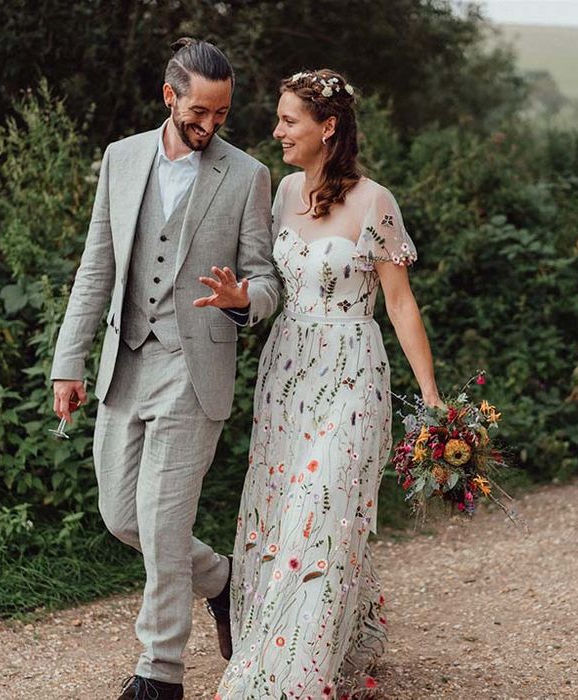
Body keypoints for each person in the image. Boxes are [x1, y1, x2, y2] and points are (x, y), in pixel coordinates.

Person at [50, 38, 280, 700]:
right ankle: (223, 580)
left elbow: (266, 278)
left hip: (195, 366)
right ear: (169, 97)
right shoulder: (120, 159)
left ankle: (161, 672)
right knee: (122, 515)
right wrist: (68, 363)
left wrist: (244, 301)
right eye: (198, 112)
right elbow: (97, 266)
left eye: (222, 115)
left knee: (161, 518)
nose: (209, 127)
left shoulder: (246, 176)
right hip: (126, 363)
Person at [214, 69, 440, 699]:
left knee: (325, 511)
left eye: (290, 120)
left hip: (351, 371)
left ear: (328, 128)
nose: (278, 130)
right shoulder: (283, 189)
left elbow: (399, 303)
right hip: (287, 373)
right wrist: (239, 297)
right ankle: (333, 638)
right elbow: (266, 279)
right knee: (285, 512)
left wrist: (429, 392)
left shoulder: (376, 202)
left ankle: (291, 672)